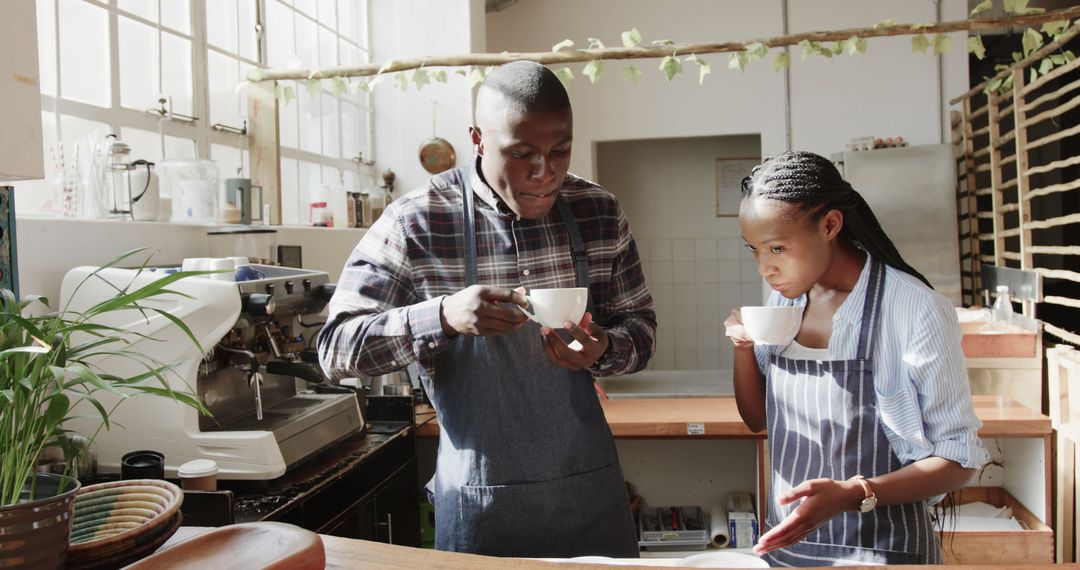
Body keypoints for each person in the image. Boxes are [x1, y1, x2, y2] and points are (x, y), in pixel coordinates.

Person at [317, 61, 656, 558]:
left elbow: (642, 332)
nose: (545, 173)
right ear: (477, 138)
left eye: (560, 151)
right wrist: (442, 318)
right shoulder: (417, 222)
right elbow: (335, 350)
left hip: (589, 495)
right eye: (520, 154)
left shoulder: (597, 211)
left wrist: (604, 349)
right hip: (479, 506)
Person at [724, 151, 989, 566]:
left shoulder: (914, 308)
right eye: (755, 250)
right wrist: (742, 350)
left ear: (830, 225)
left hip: (885, 551)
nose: (765, 268)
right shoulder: (785, 301)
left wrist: (853, 494)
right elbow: (759, 419)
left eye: (777, 247)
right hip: (791, 550)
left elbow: (959, 460)